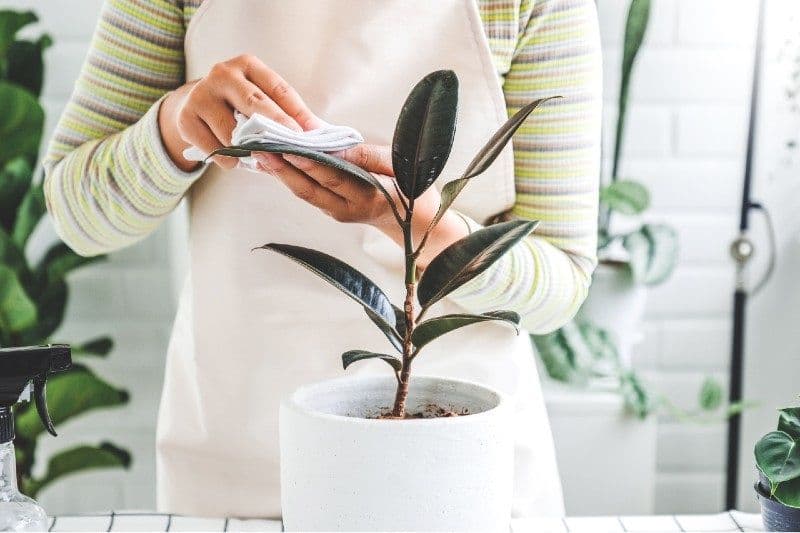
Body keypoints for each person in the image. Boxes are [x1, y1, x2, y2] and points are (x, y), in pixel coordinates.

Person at [43, 0, 601, 519]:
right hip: (240, 461)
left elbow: (561, 282)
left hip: (453, 461)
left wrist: (412, 221)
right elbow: (78, 214)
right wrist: (176, 124)